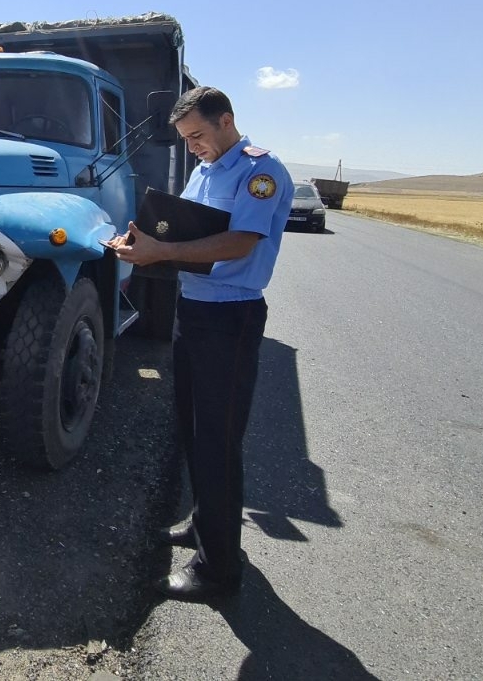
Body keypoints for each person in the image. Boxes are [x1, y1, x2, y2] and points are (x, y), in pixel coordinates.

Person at [106, 85, 294, 601]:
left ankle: (218, 571)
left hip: (230, 317)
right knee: (192, 429)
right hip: (193, 309)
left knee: (217, 441)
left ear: (225, 121)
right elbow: (181, 229)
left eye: (196, 136)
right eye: (186, 139)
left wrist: (161, 252)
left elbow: (239, 242)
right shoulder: (206, 170)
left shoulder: (259, 172)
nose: (191, 147)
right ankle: (204, 523)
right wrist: (140, 244)